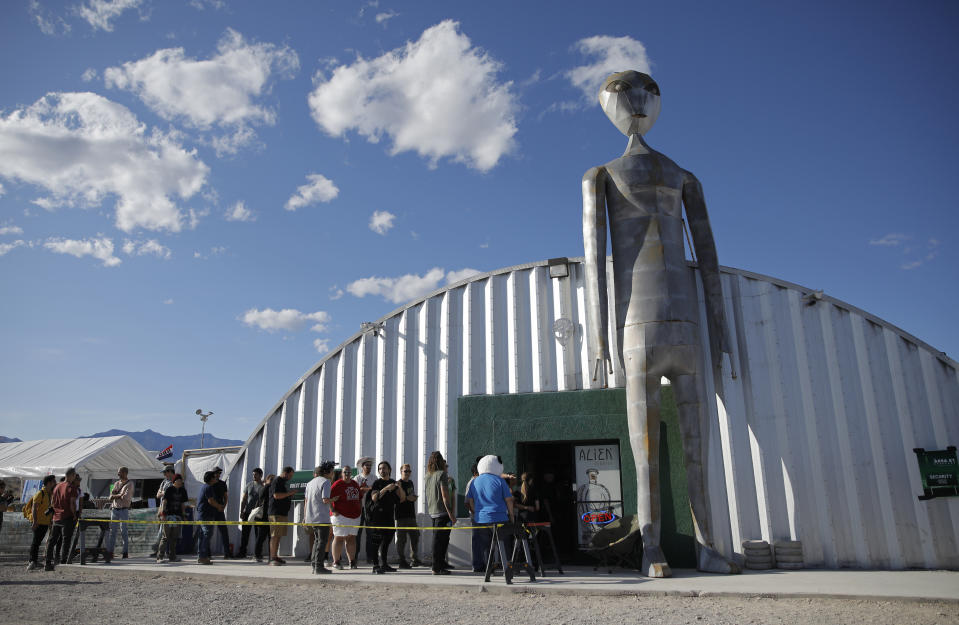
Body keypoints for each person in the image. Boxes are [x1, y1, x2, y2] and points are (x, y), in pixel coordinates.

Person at [582, 70, 737, 577]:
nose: (637, 103)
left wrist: (721, 332)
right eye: (628, 95)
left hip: (654, 329)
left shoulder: (679, 176)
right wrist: (601, 338)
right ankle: (660, 547)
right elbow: (596, 259)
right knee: (661, 454)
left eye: (644, 94)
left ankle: (696, 546)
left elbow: (595, 263)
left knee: (673, 452)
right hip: (655, 326)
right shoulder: (611, 176)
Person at [465, 455, 515, 575]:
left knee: (486, 545)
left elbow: (469, 500)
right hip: (500, 517)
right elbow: (509, 500)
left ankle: (489, 568)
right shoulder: (500, 481)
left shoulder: (474, 481)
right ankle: (507, 568)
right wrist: (512, 516)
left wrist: (475, 512)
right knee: (504, 544)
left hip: (481, 518)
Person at [368, 460, 405, 574]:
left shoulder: (394, 483)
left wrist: (400, 488)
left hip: (389, 516)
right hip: (378, 516)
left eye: (384, 468)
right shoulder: (377, 483)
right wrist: (386, 488)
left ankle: (384, 564)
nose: (382, 470)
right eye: (380, 469)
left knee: (387, 540)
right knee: (376, 541)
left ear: (389, 470)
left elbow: (402, 499)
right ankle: (375, 565)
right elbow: (374, 498)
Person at [425, 451, 455, 575]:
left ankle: (440, 563)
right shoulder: (442, 474)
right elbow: (445, 495)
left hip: (432, 511)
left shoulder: (428, 475)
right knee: (439, 540)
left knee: (440, 539)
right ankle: (436, 567)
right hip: (442, 512)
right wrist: (451, 514)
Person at [304, 461, 337, 574]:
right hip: (321, 517)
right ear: (329, 472)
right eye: (332, 471)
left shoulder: (310, 483)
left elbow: (307, 500)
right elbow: (325, 499)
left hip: (311, 516)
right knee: (322, 542)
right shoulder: (326, 482)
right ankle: (319, 566)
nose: (333, 474)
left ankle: (314, 564)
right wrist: (334, 499)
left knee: (316, 541)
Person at [45, 467, 79, 571]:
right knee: (66, 540)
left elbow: (52, 502)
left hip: (56, 517)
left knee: (52, 541)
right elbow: (72, 503)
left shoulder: (56, 486)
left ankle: (48, 562)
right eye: (74, 476)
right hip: (67, 517)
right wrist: (74, 515)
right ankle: (63, 562)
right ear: (72, 475)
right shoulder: (71, 487)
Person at [329, 464, 362, 569]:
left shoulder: (355, 484)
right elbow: (328, 498)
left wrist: (360, 510)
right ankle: (336, 561)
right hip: (341, 516)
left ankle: (352, 561)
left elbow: (360, 498)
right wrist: (333, 510)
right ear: (341, 473)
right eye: (345, 472)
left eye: (349, 472)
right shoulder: (337, 484)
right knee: (339, 538)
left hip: (355, 516)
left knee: (351, 538)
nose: (347, 474)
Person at [26, 475, 56, 571]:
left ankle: (34, 561)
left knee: (38, 542)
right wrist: (35, 521)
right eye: (53, 482)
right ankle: (32, 561)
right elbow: (34, 508)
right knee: (35, 542)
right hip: (39, 522)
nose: (54, 483)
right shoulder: (40, 493)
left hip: (45, 522)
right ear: (49, 483)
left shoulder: (48, 494)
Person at [394, 463, 421, 568]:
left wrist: (410, 497)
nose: (408, 473)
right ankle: (402, 560)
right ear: (401, 472)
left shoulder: (410, 483)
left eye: (409, 471)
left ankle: (414, 559)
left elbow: (413, 497)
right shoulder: (398, 484)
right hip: (401, 516)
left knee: (415, 537)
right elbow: (401, 499)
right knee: (402, 540)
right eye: (405, 471)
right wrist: (408, 497)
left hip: (411, 515)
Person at [157, 474, 188, 563]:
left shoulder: (183, 490)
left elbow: (183, 504)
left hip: (177, 516)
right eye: (179, 480)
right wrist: (162, 514)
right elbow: (164, 502)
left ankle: (172, 556)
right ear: (175, 481)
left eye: (181, 480)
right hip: (168, 516)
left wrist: (184, 515)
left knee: (174, 538)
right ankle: (160, 557)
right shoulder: (169, 489)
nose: (180, 482)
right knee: (165, 537)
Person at [268, 466, 296, 566]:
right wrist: (289, 493)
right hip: (276, 513)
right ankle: (272, 558)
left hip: (282, 513)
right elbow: (276, 495)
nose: (290, 478)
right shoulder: (277, 481)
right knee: (275, 535)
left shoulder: (282, 482)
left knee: (279, 535)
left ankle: (275, 555)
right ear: (285, 473)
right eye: (290, 475)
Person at [105, 466, 132, 561]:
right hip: (115, 509)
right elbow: (110, 497)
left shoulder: (130, 484)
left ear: (124, 473)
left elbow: (125, 497)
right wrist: (118, 495)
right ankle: (111, 552)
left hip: (124, 510)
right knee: (113, 532)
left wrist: (115, 495)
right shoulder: (116, 483)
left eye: (119, 472)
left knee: (124, 531)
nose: (118, 474)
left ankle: (125, 552)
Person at [195, 470, 222, 565]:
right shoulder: (208, 487)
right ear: (211, 479)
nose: (216, 478)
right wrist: (219, 506)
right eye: (214, 477)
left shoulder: (204, 487)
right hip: (206, 515)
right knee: (207, 535)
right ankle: (202, 556)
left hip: (203, 514)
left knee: (202, 536)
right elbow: (211, 501)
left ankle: (201, 556)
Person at [237, 467, 264, 559]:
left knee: (258, 534)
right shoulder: (249, 485)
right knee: (245, 534)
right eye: (253, 474)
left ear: (260, 475)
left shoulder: (263, 486)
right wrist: (242, 511)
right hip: (248, 512)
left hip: (258, 513)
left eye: (256, 474)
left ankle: (258, 553)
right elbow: (244, 499)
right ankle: (242, 552)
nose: (254, 476)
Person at [150, 466, 176, 557]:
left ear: (170, 472)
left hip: (171, 510)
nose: (164, 474)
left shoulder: (175, 481)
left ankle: (164, 551)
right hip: (162, 508)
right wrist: (165, 493)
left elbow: (172, 494)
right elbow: (158, 495)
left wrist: (164, 492)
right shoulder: (164, 482)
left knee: (169, 532)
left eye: (165, 472)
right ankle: (159, 551)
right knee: (161, 531)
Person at [354, 456, 375, 563]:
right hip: (359, 509)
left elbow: (376, 490)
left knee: (370, 533)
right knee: (357, 534)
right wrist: (368, 489)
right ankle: (355, 556)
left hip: (370, 509)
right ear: (362, 467)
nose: (369, 467)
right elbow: (356, 490)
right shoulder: (357, 478)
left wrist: (365, 489)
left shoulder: (374, 478)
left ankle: (370, 557)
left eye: (370, 465)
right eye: (367, 465)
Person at [252, 474, 275, 562]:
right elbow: (261, 496)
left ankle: (271, 556)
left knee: (270, 537)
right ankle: (257, 555)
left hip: (270, 515)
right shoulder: (264, 488)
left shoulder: (271, 488)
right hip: (263, 516)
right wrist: (268, 484)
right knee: (261, 537)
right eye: (272, 479)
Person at [211, 467, 232, 558]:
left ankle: (227, 553)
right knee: (208, 532)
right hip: (211, 510)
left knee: (224, 532)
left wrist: (223, 506)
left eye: (219, 473)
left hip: (219, 510)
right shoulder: (209, 484)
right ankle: (206, 553)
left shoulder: (222, 484)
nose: (218, 475)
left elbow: (225, 496)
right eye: (216, 473)